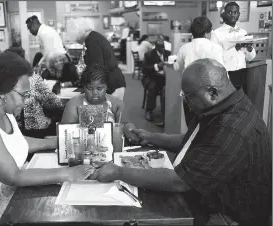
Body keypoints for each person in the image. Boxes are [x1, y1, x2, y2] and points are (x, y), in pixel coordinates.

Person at [92, 59, 272, 226]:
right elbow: (193, 142)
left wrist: (118, 171)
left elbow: (180, 181)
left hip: (230, 217)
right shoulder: (223, 107)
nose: (185, 101)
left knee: (146, 212)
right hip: (213, 197)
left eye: (188, 96)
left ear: (212, 93)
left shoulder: (232, 127)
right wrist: (151, 136)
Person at [0, 51, 95, 225]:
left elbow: (17, 142)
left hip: (10, 191)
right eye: (24, 94)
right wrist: (69, 173)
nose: (27, 101)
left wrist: (57, 141)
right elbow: (14, 176)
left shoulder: (1, 109)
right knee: (66, 212)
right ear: (2, 92)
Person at [61, 64, 138, 143]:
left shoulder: (116, 104)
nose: (94, 92)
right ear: (84, 87)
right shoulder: (74, 103)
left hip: (111, 148)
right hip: (81, 148)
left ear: (106, 87)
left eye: (99, 88)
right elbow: (65, 132)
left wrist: (130, 130)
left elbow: (125, 124)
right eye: (89, 88)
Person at [174, 16, 225, 126]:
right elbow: (222, 72)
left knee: (191, 127)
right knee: (208, 129)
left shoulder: (185, 48)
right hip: (209, 95)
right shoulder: (216, 48)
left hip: (189, 94)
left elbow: (177, 67)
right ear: (207, 33)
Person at [66, 17, 126, 100]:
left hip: (111, 85)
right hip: (115, 81)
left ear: (79, 31)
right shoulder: (94, 37)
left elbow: (96, 69)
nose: (75, 40)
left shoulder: (92, 42)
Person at [211, 2, 256, 93]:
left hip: (243, 73)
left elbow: (250, 58)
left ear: (239, 14)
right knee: (227, 105)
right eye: (230, 12)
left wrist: (249, 49)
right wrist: (235, 48)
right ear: (224, 14)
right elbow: (215, 59)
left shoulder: (243, 32)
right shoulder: (216, 33)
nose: (233, 15)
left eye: (235, 12)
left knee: (241, 104)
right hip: (226, 74)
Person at [141, 39, 168, 126]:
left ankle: (166, 112)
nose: (163, 49)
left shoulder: (167, 53)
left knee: (169, 88)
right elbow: (144, 70)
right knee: (153, 87)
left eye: (163, 47)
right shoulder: (149, 54)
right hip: (149, 77)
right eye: (161, 48)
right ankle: (149, 110)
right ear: (156, 47)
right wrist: (156, 66)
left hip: (162, 78)